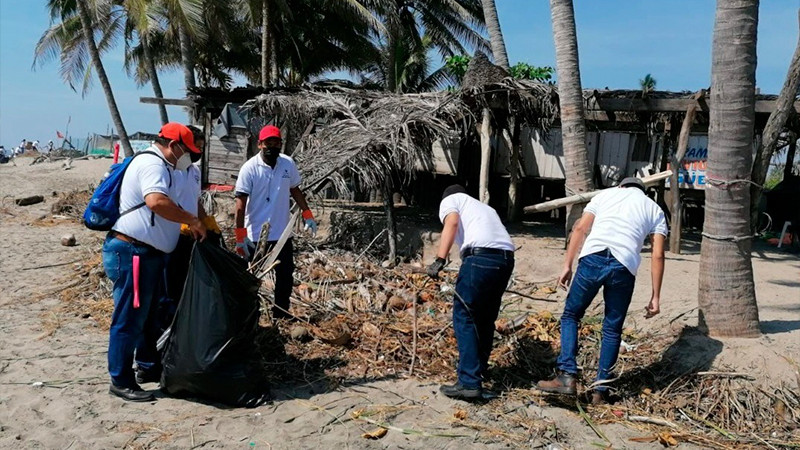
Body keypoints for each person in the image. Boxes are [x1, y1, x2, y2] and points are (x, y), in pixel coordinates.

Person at [536, 177, 667, 404]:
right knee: (612, 329)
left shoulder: (604, 195)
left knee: (571, 314)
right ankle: (601, 390)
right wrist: (655, 296)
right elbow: (658, 254)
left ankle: (567, 374)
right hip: (624, 266)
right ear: (643, 191)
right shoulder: (654, 209)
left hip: (593, 258)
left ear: (621, 186)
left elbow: (580, 228)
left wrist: (567, 265)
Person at [103, 122, 206, 402]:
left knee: (149, 316)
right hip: (133, 252)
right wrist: (192, 221)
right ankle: (120, 380)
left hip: (150, 254)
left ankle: (148, 367)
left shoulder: (170, 166)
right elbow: (157, 202)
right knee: (129, 318)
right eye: (188, 150)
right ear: (173, 146)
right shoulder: (153, 164)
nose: (190, 156)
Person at [427, 184, 515, 401]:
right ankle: (479, 371)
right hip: (505, 259)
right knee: (485, 319)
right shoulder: (485, 208)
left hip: (480, 258)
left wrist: (439, 259)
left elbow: (452, 222)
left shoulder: (452, 200)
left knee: (464, 316)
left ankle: (468, 382)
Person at [234, 125, 317, 319]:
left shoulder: (287, 164)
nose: (272, 146)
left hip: (281, 234)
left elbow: (295, 189)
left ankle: (281, 313)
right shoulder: (250, 169)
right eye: (267, 143)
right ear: (259, 144)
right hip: (255, 234)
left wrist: (307, 213)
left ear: (281, 144)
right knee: (250, 277)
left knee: (285, 276)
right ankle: (249, 315)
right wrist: (240, 236)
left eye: (276, 143)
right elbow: (240, 204)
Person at [155, 125, 220, 338]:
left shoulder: (194, 171)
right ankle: (169, 331)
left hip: (192, 235)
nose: (197, 153)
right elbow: (166, 202)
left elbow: (194, 200)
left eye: (200, 148)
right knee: (171, 287)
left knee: (189, 284)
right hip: (175, 236)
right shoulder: (171, 170)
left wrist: (206, 220)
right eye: (194, 148)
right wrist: (185, 221)